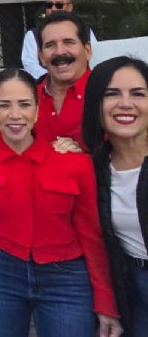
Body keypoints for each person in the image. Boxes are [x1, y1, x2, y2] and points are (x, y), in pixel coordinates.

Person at [0, 69, 122, 336]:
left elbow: (92, 234)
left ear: (37, 112)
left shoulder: (74, 163)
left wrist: (106, 302)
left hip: (66, 276)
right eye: (4, 105)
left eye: (25, 104)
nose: (15, 115)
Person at [83, 57, 148, 334]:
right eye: (111, 94)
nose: (125, 103)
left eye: (138, 93)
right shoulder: (95, 168)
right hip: (132, 288)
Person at [34, 11, 93, 147]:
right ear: (41, 56)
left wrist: (85, 155)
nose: (60, 51)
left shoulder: (110, 93)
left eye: (68, 42)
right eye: (50, 45)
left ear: (87, 50)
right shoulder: (28, 97)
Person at [22, 0, 98, 80]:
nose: (53, 9)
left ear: (70, 7)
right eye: (49, 5)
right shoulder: (32, 35)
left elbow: (96, 58)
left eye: (59, 5)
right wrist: (56, 77)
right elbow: (30, 64)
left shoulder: (86, 31)